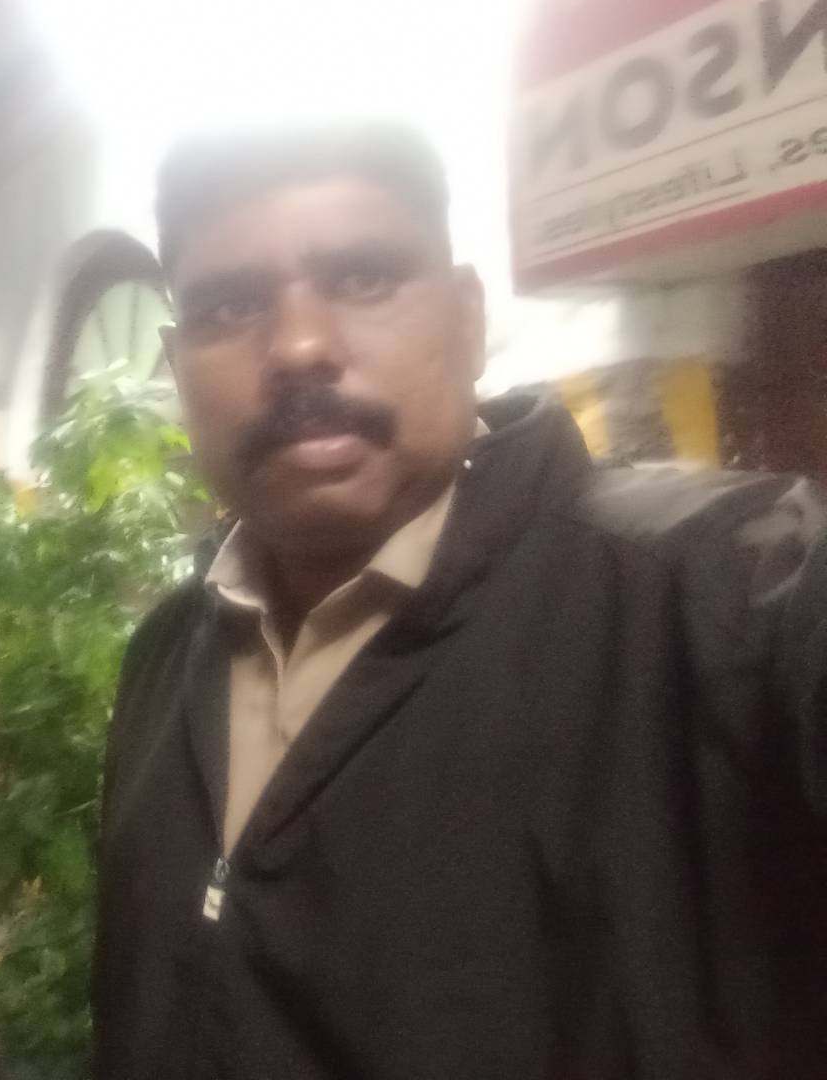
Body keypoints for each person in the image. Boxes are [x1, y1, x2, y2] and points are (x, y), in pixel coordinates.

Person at [94, 122, 827, 1078]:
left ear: (468, 320)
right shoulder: (165, 655)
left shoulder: (731, 603)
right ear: (176, 361)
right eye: (228, 305)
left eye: (364, 278)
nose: (299, 347)